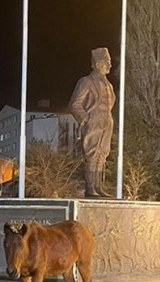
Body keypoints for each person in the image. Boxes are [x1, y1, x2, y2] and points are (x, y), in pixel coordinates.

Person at [69, 47, 115, 198]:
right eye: (107, 61)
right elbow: (75, 104)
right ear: (97, 63)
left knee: (102, 154)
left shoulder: (109, 85)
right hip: (93, 121)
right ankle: (90, 188)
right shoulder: (86, 82)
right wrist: (86, 118)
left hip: (106, 121)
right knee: (92, 153)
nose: (110, 65)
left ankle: (98, 187)